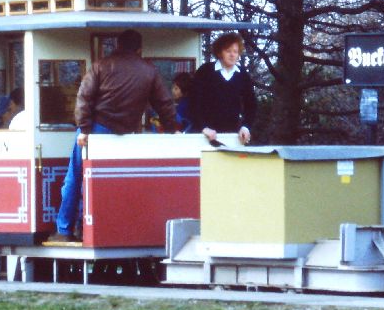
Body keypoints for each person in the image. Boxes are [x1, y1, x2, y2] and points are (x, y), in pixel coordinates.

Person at [53, 29, 180, 241]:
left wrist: (84, 129)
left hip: (96, 129)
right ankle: (92, 229)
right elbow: (164, 103)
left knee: (75, 178)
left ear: (117, 46)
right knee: (109, 182)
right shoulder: (149, 71)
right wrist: (172, 128)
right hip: (126, 135)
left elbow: (84, 98)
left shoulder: (101, 66)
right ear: (139, 49)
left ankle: (64, 230)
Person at [190, 32, 256, 145]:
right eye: (228, 51)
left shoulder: (243, 75)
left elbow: (251, 105)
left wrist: (246, 127)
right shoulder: (205, 71)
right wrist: (203, 127)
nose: (232, 55)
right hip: (204, 135)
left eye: (235, 51)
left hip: (233, 136)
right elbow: (194, 102)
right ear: (220, 52)